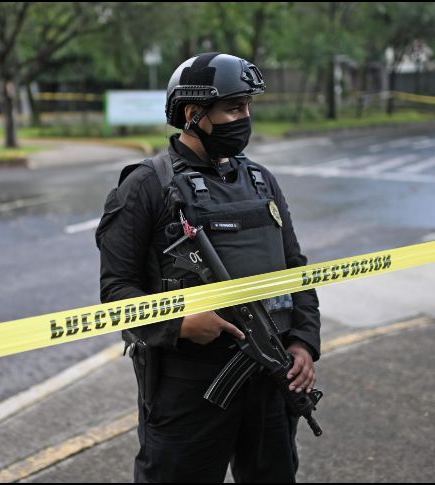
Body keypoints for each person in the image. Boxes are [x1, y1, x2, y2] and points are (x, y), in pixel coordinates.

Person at [96, 52, 322, 483]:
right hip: (189, 390)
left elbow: (297, 271)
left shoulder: (261, 180)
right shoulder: (146, 185)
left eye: (249, 107)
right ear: (193, 113)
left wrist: (305, 344)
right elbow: (116, 292)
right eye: (234, 108)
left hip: (270, 375)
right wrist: (179, 323)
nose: (246, 118)